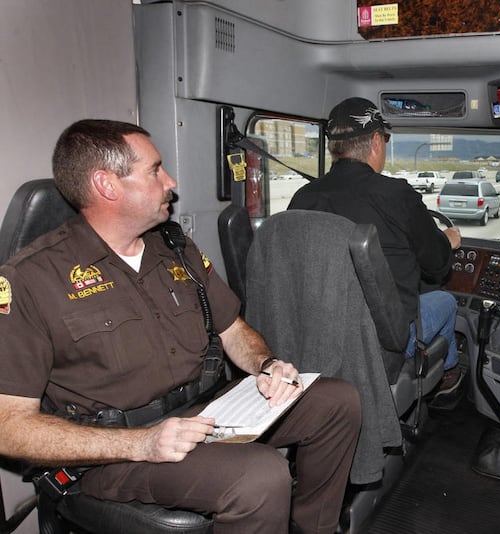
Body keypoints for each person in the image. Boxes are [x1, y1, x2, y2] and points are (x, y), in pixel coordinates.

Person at [0, 119, 361, 534]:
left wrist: (266, 363)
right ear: (107, 185)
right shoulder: (30, 279)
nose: (170, 181)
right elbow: (8, 428)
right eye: (155, 170)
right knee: (260, 477)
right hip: (116, 450)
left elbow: (232, 329)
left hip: (203, 411)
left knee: (337, 400)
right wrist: (142, 444)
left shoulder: (174, 247)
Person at [288, 97, 464, 399]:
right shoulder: (396, 195)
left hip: (319, 336)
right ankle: (448, 378)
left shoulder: (302, 198)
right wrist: (448, 241)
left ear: (334, 147)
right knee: (445, 301)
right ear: (375, 142)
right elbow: (436, 265)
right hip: (383, 342)